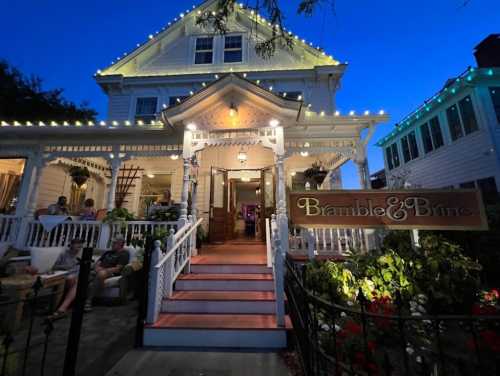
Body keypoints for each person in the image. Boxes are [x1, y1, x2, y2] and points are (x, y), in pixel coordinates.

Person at [84, 236, 130, 312]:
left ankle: (88, 301)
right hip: (98, 271)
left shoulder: (124, 253)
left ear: (120, 244)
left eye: (114, 243)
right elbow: (97, 263)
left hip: (111, 272)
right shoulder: (107, 252)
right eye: (112, 243)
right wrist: (96, 268)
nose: (112, 244)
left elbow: (117, 268)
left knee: (101, 274)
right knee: (85, 274)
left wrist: (102, 269)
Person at [45, 239, 83, 318]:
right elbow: (54, 267)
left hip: (76, 277)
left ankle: (61, 309)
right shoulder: (64, 254)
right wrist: (66, 267)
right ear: (71, 245)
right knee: (72, 280)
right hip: (65, 276)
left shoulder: (80, 256)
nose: (78, 248)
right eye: (77, 245)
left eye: (80, 246)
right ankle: (61, 308)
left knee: (77, 281)